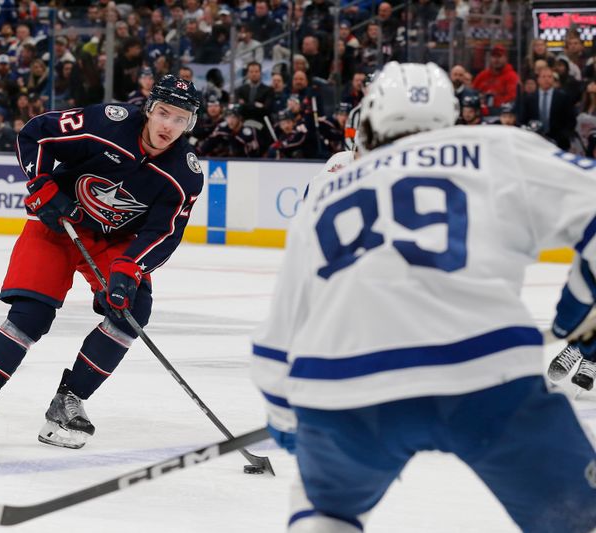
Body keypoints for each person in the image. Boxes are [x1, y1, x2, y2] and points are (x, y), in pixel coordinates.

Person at [252, 61, 596, 532]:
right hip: (483, 374)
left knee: (323, 509)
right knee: (580, 518)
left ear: (368, 120)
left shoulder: (329, 190)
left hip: (342, 386)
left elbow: (278, 336)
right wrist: (579, 302)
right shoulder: (495, 148)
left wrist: (286, 420)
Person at [0, 75, 204, 449]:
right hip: (60, 223)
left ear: (190, 123)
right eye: (163, 113)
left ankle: (68, 401)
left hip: (114, 243)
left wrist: (130, 267)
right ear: (149, 109)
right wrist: (41, 184)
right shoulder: (107, 122)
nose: (168, 126)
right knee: (31, 316)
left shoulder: (184, 175)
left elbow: (164, 233)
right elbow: (36, 134)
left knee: (132, 313)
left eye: (180, 118)